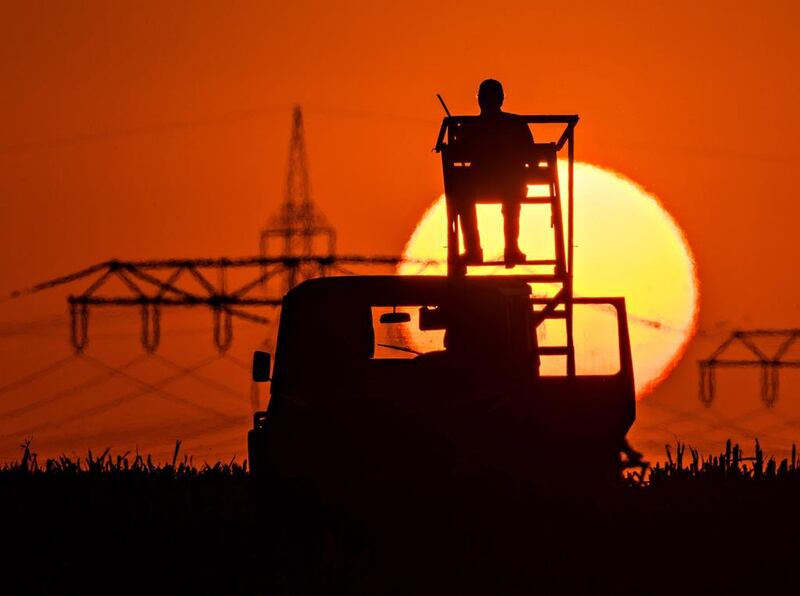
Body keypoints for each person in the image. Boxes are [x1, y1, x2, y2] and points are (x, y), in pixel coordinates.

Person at [456, 79, 533, 265]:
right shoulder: (517, 124)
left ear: (479, 100)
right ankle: (512, 248)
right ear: (502, 100)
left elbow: (457, 153)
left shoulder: (468, 127)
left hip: (478, 187)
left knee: (461, 196)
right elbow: (532, 156)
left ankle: (472, 249)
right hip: (512, 187)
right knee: (512, 197)